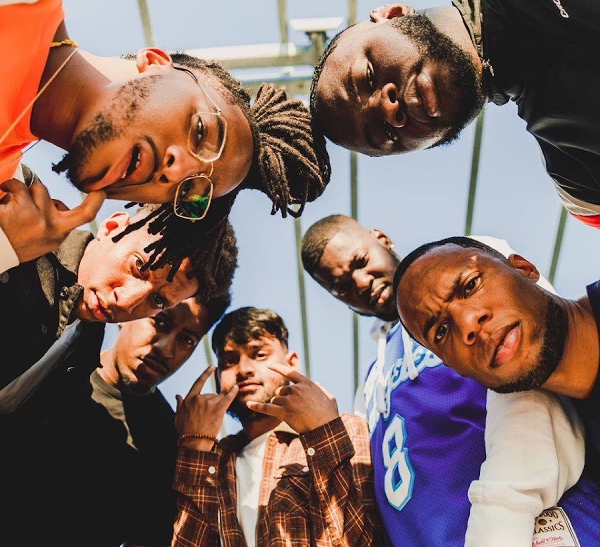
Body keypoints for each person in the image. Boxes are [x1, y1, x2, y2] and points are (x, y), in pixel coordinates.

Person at [0, 0, 330, 271]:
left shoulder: (7, 195)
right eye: (200, 131)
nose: (175, 173)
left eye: (187, 194)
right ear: (156, 62)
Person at [301, 214, 599, 546]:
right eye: (342, 287)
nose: (360, 282)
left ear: (382, 239)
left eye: (360, 261)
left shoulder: (463, 260)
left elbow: (533, 391)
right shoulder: (369, 387)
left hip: (531, 527)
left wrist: (500, 527)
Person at [310, 0, 600, 229]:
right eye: (384, 133)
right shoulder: (581, 180)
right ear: (425, 146)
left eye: (368, 76)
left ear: (393, 14)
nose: (389, 109)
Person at [0, 165, 238, 412]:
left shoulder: (82, 356)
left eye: (158, 301)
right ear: (112, 227)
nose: (126, 301)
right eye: (139, 266)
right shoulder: (20, 198)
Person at [1, 293, 230, 547]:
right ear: (131, 312)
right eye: (161, 322)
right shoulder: (51, 362)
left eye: (187, 339)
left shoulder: (168, 441)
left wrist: (196, 446)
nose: (166, 349)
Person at [171, 306, 384, 546]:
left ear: (291, 362)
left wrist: (323, 434)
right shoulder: (214, 460)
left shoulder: (343, 428)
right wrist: (195, 447)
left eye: (260, 354)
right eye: (230, 361)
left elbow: (362, 540)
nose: (244, 369)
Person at [394, 235, 600, 466]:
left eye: (470, 285)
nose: (468, 324)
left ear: (525, 268)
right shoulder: (583, 458)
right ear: (453, 366)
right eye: (441, 331)